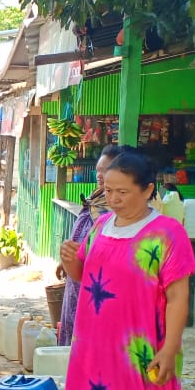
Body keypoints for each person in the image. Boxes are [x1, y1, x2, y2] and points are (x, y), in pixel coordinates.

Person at [50, 151, 195, 390]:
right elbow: (86, 279)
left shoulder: (167, 233)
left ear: (147, 190)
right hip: (93, 344)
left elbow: (178, 296)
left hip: (142, 345)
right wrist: (71, 262)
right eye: (108, 191)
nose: (113, 199)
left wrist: (170, 346)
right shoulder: (101, 226)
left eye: (122, 192)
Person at [56, 143, 123, 346]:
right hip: (75, 279)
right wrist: (66, 261)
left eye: (106, 170)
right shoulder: (94, 200)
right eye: (98, 170)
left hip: (96, 286)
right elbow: (82, 235)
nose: (99, 175)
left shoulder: (115, 211)